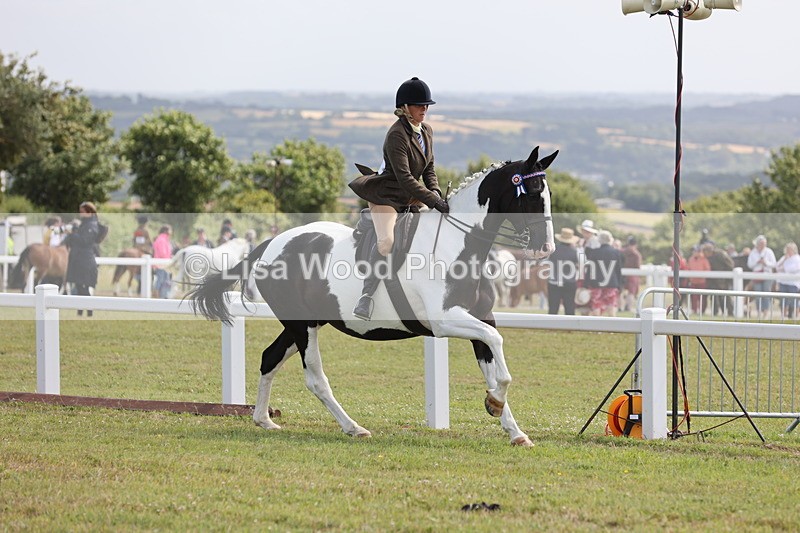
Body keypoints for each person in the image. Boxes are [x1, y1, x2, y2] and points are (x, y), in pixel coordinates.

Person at [348, 77, 448, 320]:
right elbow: (404, 178)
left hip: (412, 197)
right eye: (419, 105)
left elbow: (429, 169)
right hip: (387, 196)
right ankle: (366, 296)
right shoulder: (396, 134)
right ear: (404, 108)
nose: (424, 109)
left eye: (427, 105)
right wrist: (434, 202)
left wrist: (435, 191)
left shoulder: (427, 131)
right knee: (387, 243)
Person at [64, 202, 100, 317]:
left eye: (82, 212)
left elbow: (85, 241)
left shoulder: (92, 226)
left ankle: (89, 312)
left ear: (89, 212)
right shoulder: (84, 225)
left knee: (83, 287)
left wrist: (72, 234)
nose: (80, 214)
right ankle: (80, 312)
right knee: (79, 287)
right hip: (79, 259)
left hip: (85, 261)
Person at [584, 230, 623, 317]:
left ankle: (597, 328)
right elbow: (618, 270)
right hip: (611, 282)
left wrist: (586, 283)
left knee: (596, 304)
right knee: (611, 305)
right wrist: (620, 284)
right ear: (610, 239)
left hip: (596, 283)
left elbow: (590, 269)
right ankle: (612, 327)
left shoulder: (594, 252)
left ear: (599, 240)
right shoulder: (616, 252)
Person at [545, 228, 580, 315]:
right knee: (570, 309)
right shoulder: (576, 252)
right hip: (569, 283)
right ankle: (570, 327)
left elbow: (544, 262)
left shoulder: (552, 250)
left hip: (554, 282)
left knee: (553, 309)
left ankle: (551, 328)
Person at [747, 235, 777, 317]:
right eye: (761, 243)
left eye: (764, 243)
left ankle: (766, 312)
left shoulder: (769, 251)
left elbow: (774, 264)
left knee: (766, 292)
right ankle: (759, 311)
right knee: (758, 293)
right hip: (757, 275)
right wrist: (757, 262)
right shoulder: (753, 252)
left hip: (767, 275)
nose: (762, 245)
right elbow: (749, 265)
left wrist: (765, 263)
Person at [702, 243, 735, 316]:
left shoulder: (721, 254)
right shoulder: (707, 257)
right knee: (713, 296)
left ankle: (730, 312)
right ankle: (715, 313)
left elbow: (730, 265)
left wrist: (725, 277)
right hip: (713, 280)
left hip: (723, 280)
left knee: (726, 297)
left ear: (709, 251)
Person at [776, 242, 800, 319]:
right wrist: (784, 261)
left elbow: (794, 269)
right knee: (783, 300)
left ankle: (796, 316)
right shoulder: (784, 257)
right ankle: (783, 316)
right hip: (783, 281)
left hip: (793, 283)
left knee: (794, 300)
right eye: (787, 249)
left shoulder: (797, 258)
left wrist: (785, 269)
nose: (788, 251)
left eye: (790, 249)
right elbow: (777, 267)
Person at [620, 235, 642, 312]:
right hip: (633, 275)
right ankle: (628, 307)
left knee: (621, 291)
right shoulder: (637, 254)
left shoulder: (622, 251)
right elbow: (638, 266)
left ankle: (621, 306)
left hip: (622, 274)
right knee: (631, 292)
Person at [686, 245, 711, 314]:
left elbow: (708, 269)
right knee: (693, 297)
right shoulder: (691, 259)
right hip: (693, 281)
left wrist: (701, 275)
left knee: (702, 297)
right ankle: (694, 310)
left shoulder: (704, 259)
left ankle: (702, 311)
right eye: (693, 251)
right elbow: (688, 268)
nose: (693, 252)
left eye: (695, 251)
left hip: (702, 282)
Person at [152, 225, 174, 298]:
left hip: (164, 264)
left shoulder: (163, 239)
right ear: (166, 231)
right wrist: (170, 259)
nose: (171, 232)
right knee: (160, 281)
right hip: (162, 264)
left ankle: (163, 296)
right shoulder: (162, 239)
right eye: (170, 230)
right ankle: (157, 296)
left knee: (164, 281)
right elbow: (162, 253)